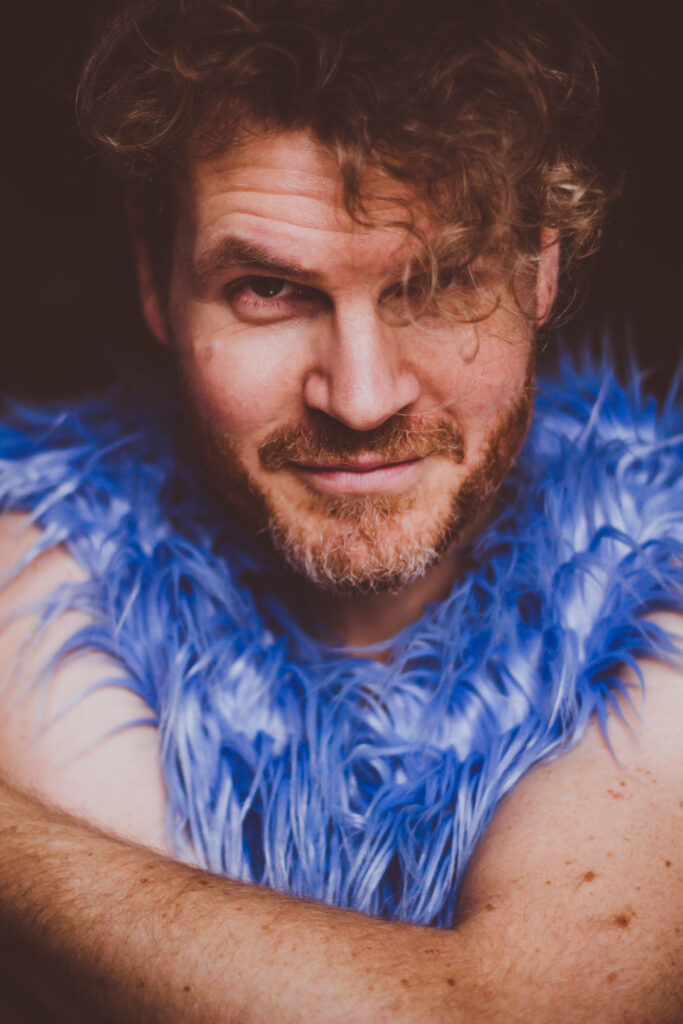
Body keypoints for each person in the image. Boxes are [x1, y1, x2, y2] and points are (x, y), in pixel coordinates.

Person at [0, 0, 681, 1021]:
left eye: (438, 282)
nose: (359, 402)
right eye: (268, 289)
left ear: (539, 269)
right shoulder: (44, 583)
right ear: (155, 273)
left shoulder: (656, 582)